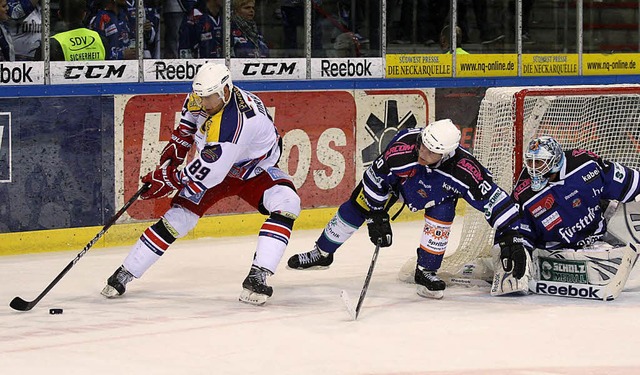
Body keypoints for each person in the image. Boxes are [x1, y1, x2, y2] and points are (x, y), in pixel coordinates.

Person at [101, 63, 301, 306]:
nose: (205, 103)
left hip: (251, 170)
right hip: (220, 164)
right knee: (178, 218)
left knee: (287, 202)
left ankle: (258, 275)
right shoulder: (203, 96)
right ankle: (125, 272)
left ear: (226, 92)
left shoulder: (235, 123)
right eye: (202, 97)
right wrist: (176, 149)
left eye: (210, 98)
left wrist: (169, 178)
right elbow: (187, 126)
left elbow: (210, 173)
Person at [287, 119, 527, 299]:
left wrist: (511, 236)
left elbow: (495, 200)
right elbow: (374, 179)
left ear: (446, 153)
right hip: (399, 186)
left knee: (442, 215)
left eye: (431, 152)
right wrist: (377, 215)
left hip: (437, 195)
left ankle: (425, 271)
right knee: (358, 204)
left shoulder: (465, 170)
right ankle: (322, 252)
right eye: (423, 145)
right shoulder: (403, 148)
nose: (422, 152)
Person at [510, 136, 640, 298]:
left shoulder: (585, 164)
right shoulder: (523, 194)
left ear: (555, 160)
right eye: (530, 162)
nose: (534, 169)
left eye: (540, 162)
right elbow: (519, 234)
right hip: (557, 253)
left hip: (598, 240)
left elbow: (630, 182)